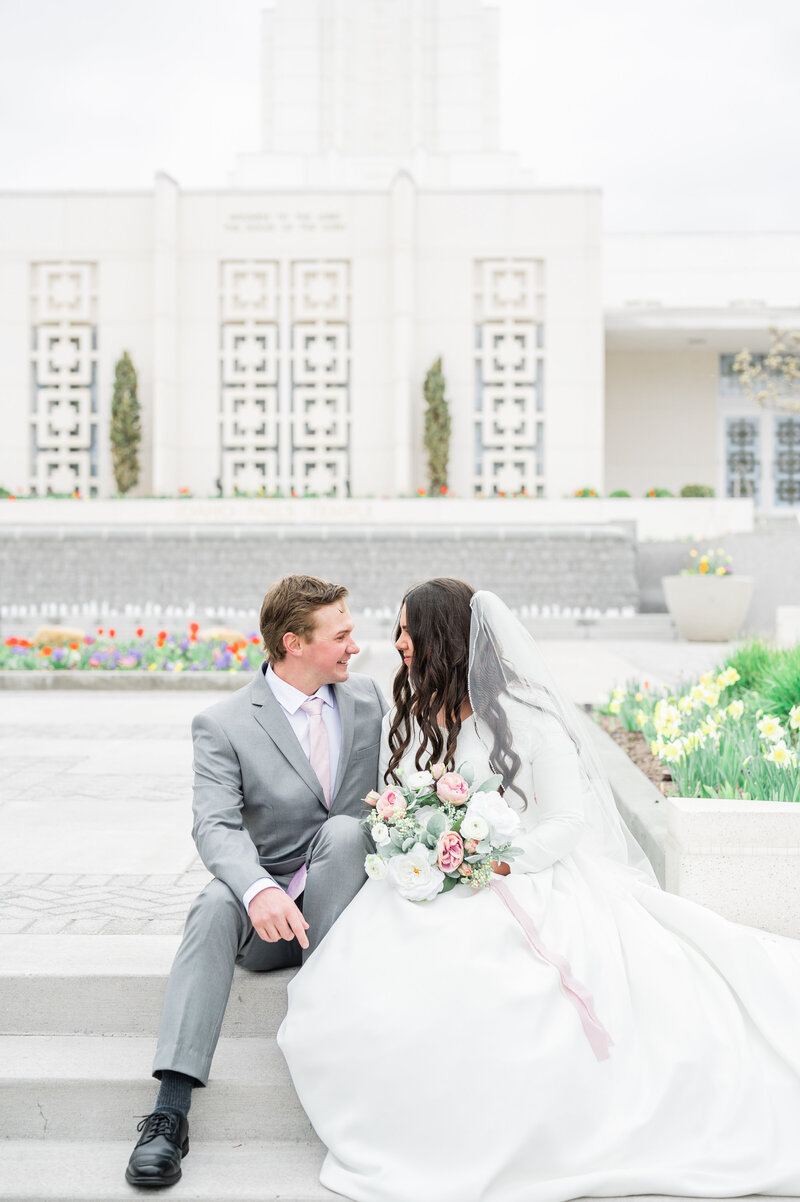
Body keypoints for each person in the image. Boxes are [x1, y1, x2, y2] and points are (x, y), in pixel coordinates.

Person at [278, 578, 800, 1202]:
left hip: (521, 875)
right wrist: (414, 842)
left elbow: (565, 824)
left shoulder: (528, 716)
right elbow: (402, 801)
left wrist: (490, 861)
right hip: (429, 876)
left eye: (406, 630)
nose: (397, 645)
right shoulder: (414, 713)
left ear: (443, 637)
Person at [125, 575, 386, 1188]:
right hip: (269, 924)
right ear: (294, 643)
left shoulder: (371, 700)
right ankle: (170, 1109)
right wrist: (258, 889)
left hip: (349, 919)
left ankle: (334, 1019)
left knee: (347, 832)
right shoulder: (223, 724)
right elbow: (213, 825)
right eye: (341, 635)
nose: (355, 645)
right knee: (215, 903)